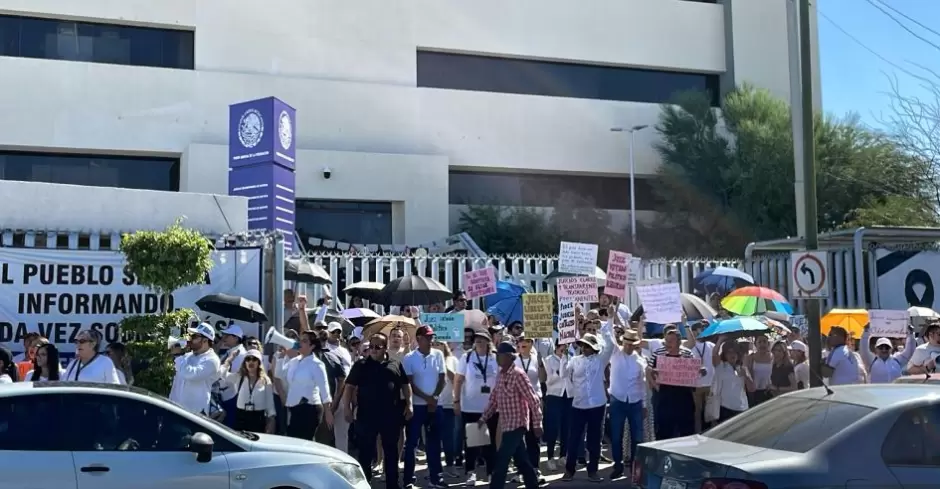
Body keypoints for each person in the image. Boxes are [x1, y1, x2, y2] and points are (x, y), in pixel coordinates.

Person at [345, 333, 412, 489]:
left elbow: (405, 385)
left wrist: (409, 404)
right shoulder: (360, 365)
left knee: (391, 453)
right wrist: (347, 408)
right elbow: (349, 388)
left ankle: (392, 485)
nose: (373, 350)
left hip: (390, 416)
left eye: (377, 347)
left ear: (385, 347)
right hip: (366, 416)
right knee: (365, 454)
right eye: (371, 347)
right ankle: (364, 485)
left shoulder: (395, 364)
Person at [478, 342, 543, 489]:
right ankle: (533, 484)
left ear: (508, 357)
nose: (497, 358)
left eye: (499, 355)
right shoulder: (501, 375)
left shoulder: (518, 375)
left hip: (517, 424)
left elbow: (533, 399)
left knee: (501, 460)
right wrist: (483, 418)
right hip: (507, 424)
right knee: (522, 460)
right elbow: (494, 400)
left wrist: (538, 424)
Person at [563, 312, 616, 483]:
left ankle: (593, 471)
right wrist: (564, 356)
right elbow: (566, 376)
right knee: (574, 439)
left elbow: (610, 346)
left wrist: (607, 324)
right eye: (583, 345)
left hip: (597, 405)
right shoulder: (574, 360)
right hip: (578, 405)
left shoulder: (600, 360)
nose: (585, 348)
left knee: (595, 440)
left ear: (593, 347)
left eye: (588, 346)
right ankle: (569, 471)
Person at [402, 325, 446, 488]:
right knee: (412, 442)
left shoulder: (438, 354)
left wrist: (434, 398)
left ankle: (436, 478)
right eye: (427, 337)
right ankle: (408, 480)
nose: (430, 340)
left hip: (436, 405)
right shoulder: (409, 357)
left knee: (434, 442)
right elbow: (410, 383)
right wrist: (428, 399)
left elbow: (442, 379)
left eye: (431, 337)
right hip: (417, 406)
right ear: (418, 338)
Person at [453, 331, 499, 486]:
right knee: (472, 441)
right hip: (470, 406)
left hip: (491, 407)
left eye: (482, 340)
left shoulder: (495, 358)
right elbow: (458, 380)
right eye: (476, 340)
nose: (479, 342)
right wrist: (456, 401)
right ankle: (470, 472)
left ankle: (491, 472)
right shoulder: (467, 358)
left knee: (490, 442)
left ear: (488, 341)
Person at [608, 329, 646, 480]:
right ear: (623, 342)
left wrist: (643, 404)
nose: (629, 347)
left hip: (635, 402)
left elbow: (642, 384)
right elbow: (608, 335)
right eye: (627, 344)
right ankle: (618, 465)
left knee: (637, 437)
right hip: (617, 400)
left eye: (632, 344)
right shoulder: (615, 354)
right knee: (616, 436)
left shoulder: (640, 361)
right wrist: (611, 317)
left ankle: (634, 469)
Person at [648, 325, 696, 440]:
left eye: (671, 341)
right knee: (664, 431)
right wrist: (655, 386)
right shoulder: (658, 353)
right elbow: (648, 370)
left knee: (686, 431)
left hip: (684, 398)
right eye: (667, 341)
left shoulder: (688, 354)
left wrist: (701, 370)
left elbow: (695, 370)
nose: (668, 343)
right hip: (665, 398)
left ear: (679, 342)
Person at [286, 331, 333, 440]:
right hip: (294, 408)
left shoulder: (317, 365)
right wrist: (282, 356)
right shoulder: (293, 361)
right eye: (300, 340)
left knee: (305, 442)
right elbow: (280, 374)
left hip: (309, 408)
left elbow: (324, 389)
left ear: (312, 346)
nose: (300, 343)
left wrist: (328, 412)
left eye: (304, 341)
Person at [170, 323, 222, 415]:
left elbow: (190, 374)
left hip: (194, 413)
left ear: (205, 340)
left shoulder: (212, 360)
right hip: (175, 409)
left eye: (195, 336)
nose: (191, 339)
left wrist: (178, 355)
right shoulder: (188, 355)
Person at [222, 349, 276, 433]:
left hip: (258, 418)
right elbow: (222, 375)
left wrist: (271, 420)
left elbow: (270, 404)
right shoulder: (239, 377)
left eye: (254, 359)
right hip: (241, 416)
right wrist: (230, 359)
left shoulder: (265, 380)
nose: (251, 362)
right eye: (248, 359)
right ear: (244, 363)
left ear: (259, 362)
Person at [514, 335, 544, 481]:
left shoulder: (536, 359)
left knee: (533, 436)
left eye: (527, 341)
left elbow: (543, 379)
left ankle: (535, 468)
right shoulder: (514, 360)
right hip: (518, 403)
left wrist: (540, 363)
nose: (523, 343)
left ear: (532, 344)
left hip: (534, 401)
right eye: (520, 341)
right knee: (519, 438)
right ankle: (521, 470)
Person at [542, 340, 571, 472]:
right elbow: (549, 380)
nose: (565, 348)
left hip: (567, 395)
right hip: (554, 395)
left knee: (566, 426)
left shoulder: (570, 358)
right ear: (558, 346)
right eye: (564, 345)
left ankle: (563, 455)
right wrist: (559, 370)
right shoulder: (548, 360)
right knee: (553, 428)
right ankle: (550, 457)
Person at [433, 339, 461, 477]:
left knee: (448, 437)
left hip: (448, 404)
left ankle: (450, 465)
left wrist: (443, 363)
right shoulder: (429, 359)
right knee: (434, 439)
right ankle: (435, 469)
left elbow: (455, 378)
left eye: (438, 344)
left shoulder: (452, 359)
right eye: (433, 344)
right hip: (433, 404)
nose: (435, 346)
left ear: (444, 346)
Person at [710, 338, 753, 422]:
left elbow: (751, 388)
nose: (732, 355)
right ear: (725, 355)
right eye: (729, 352)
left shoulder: (742, 368)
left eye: (734, 352)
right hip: (725, 408)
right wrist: (720, 340)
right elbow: (714, 354)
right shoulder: (721, 366)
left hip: (742, 408)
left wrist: (746, 375)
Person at [218, 325, 247, 427]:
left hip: (233, 397)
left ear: (235, 338)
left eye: (227, 335)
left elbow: (235, 378)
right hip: (227, 396)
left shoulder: (241, 354)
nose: (224, 338)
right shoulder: (231, 352)